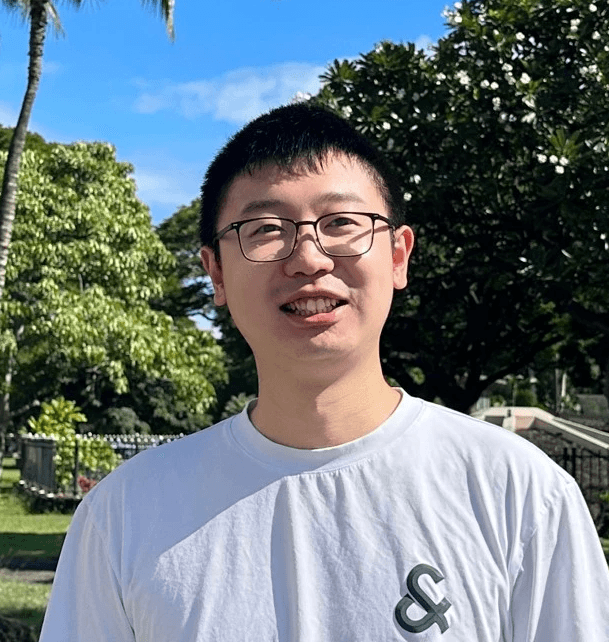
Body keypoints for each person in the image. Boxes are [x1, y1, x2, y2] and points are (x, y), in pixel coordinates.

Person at [40, 104, 609, 641]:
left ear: (397, 255)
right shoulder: (123, 516)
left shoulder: (521, 495)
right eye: (265, 229)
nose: (309, 258)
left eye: (341, 222)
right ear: (216, 273)